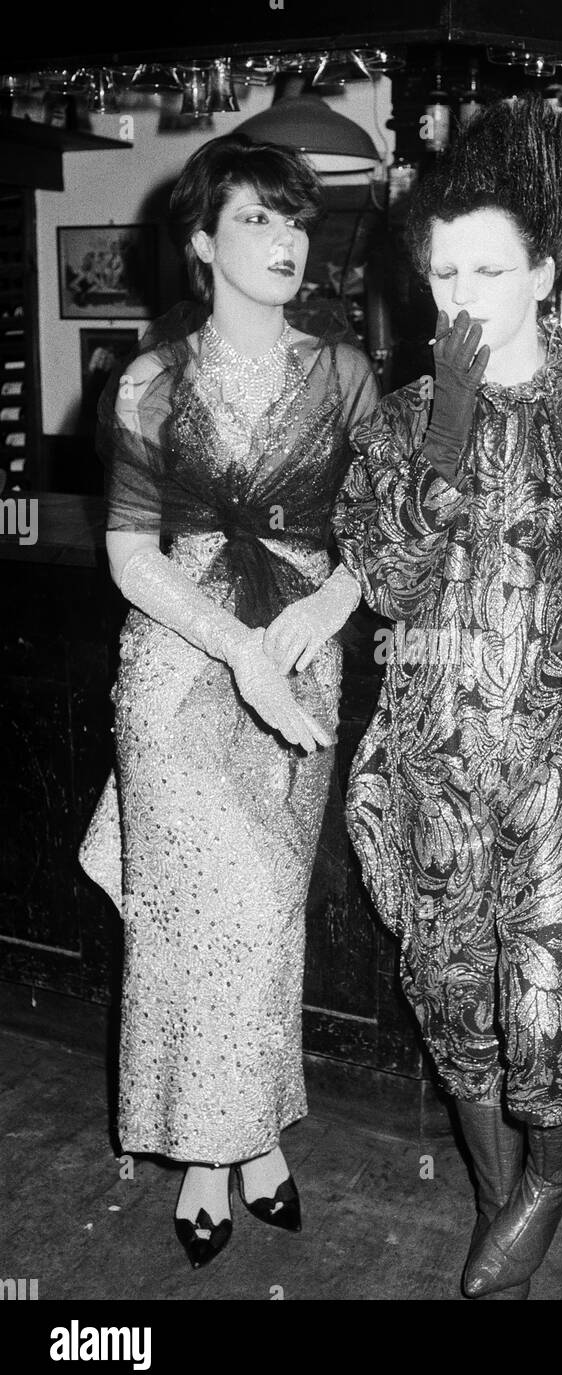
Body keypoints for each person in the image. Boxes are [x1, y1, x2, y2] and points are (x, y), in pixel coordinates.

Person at [332, 96, 562, 1300]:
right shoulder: (396, 422)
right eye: (442, 271)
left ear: (541, 271)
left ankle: (542, 1185)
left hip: (551, 750)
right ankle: (500, 1197)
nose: (462, 292)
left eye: (488, 266)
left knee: (544, 995)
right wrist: (438, 434)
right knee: (447, 992)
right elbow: (383, 575)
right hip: (431, 749)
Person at [79, 133, 377, 1269]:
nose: (285, 238)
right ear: (201, 243)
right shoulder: (153, 379)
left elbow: (374, 542)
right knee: (209, 914)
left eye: (294, 218)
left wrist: (325, 607)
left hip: (303, 662)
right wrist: (236, 649)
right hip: (177, 663)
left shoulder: (343, 373)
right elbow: (125, 553)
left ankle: (252, 1130)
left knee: (264, 915)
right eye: (254, 218)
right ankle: (212, 1152)